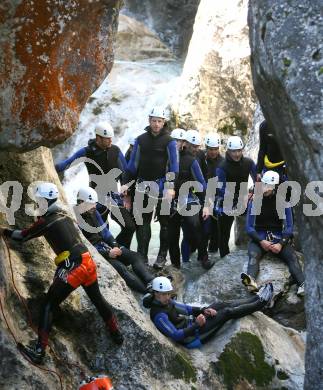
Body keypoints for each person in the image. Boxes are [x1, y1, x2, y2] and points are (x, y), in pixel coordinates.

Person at [0, 183, 123, 364]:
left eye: (39, 199)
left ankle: (39, 352)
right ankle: (116, 334)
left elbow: (22, 236)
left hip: (74, 266)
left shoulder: (46, 221)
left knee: (49, 304)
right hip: (87, 261)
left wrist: (3, 230)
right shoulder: (63, 215)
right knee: (97, 298)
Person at [55, 121, 135, 249]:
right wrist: (51, 168)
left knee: (130, 227)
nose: (110, 140)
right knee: (103, 230)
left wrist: (126, 191)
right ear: (98, 138)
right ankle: (110, 255)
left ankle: (120, 250)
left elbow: (124, 173)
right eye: (107, 138)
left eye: (111, 138)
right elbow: (66, 164)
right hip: (95, 197)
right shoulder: (87, 152)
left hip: (114, 196)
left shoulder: (115, 150)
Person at [143, 276, 273, 348]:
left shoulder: (166, 301)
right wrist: (197, 324)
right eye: (164, 294)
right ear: (155, 294)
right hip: (192, 337)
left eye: (169, 294)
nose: (167, 297)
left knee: (220, 304)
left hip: (192, 325)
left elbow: (186, 309)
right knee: (227, 312)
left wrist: (204, 310)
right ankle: (260, 303)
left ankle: (255, 298)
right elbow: (176, 336)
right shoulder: (159, 315)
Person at [126, 107, 179, 268]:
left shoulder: (169, 141)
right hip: (143, 184)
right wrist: (126, 186)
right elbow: (132, 165)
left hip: (162, 184)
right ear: (149, 121)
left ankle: (162, 256)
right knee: (143, 222)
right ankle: (142, 257)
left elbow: (174, 166)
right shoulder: (140, 140)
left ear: (164, 123)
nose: (156, 124)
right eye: (154, 121)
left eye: (160, 121)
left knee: (164, 222)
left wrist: (170, 187)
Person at [76, 187, 154, 293]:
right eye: (91, 204)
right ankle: (148, 293)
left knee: (135, 256)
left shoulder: (94, 212)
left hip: (105, 247)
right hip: (95, 253)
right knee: (121, 268)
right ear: (81, 202)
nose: (94, 206)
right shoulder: (75, 218)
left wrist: (115, 245)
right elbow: (84, 247)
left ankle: (151, 282)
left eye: (94, 203)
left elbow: (106, 234)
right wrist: (108, 253)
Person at [242, 170, 305, 296]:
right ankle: (251, 283)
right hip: (259, 236)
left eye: (268, 186)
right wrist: (261, 241)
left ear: (275, 186)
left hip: (277, 237)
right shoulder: (255, 200)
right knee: (254, 256)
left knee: (292, 258)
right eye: (264, 184)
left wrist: (281, 244)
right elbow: (249, 227)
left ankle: (302, 284)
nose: (265, 188)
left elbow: (289, 227)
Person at [168, 130, 214, 270]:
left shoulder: (191, 160)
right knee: (171, 234)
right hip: (169, 200)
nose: (177, 144)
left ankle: (204, 257)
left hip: (186, 198)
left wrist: (206, 204)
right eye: (175, 141)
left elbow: (202, 183)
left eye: (180, 141)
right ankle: (175, 265)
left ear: (184, 143)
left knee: (195, 225)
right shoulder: (165, 157)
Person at [215, 136, 257, 258]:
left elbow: (258, 181)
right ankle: (224, 258)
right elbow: (221, 189)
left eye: (239, 150)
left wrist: (253, 193)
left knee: (255, 225)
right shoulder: (222, 167)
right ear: (228, 151)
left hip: (243, 200)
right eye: (234, 151)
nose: (237, 154)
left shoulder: (248, 163)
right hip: (226, 200)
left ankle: (253, 251)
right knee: (224, 234)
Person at [204, 133, 224, 253]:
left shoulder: (223, 162)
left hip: (217, 197)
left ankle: (213, 253)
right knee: (205, 229)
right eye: (211, 149)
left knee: (216, 230)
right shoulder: (201, 159)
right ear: (207, 148)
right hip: (203, 196)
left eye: (216, 149)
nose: (213, 152)